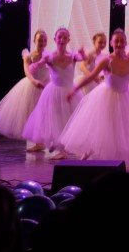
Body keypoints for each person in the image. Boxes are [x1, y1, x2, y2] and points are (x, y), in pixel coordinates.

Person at [57, 28, 129, 162]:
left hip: (126, 97)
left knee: (123, 127)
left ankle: (121, 155)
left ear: (126, 43)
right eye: (116, 41)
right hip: (107, 97)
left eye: (122, 41)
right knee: (104, 126)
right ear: (111, 43)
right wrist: (74, 90)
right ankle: (92, 149)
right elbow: (91, 76)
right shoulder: (107, 61)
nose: (119, 44)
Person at [22, 27, 86, 159]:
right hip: (54, 92)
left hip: (69, 91)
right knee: (55, 119)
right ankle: (59, 146)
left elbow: (82, 58)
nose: (62, 40)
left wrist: (83, 54)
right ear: (55, 39)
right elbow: (37, 64)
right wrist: (33, 67)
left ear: (68, 40)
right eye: (59, 37)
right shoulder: (49, 57)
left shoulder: (72, 56)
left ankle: (62, 146)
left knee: (69, 119)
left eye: (65, 37)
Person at [0, 29, 49, 145]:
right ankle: (38, 142)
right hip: (33, 86)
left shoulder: (49, 55)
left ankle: (41, 142)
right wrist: (34, 81)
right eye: (39, 40)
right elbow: (27, 71)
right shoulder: (29, 56)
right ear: (34, 41)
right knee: (32, 113)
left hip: (46, 85)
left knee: (46, 114)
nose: (42, 43)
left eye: (44, 40)